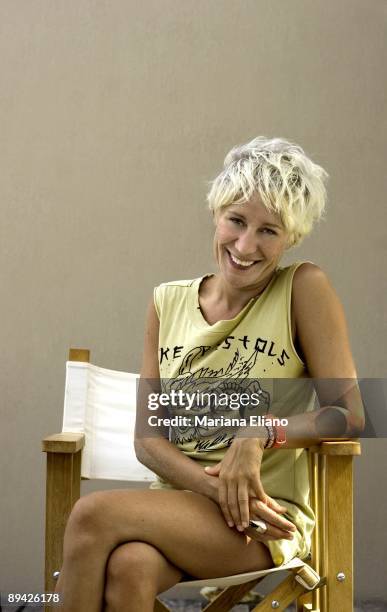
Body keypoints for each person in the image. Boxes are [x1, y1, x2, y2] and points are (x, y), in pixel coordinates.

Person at [55, 136, 364, 612]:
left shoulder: (303, 289)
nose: (245, 246)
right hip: (181, 505)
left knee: (91, 513)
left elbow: (352, 414)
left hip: (261, 517)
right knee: (128, 567)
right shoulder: (168, 302)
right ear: (216, 213)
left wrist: (261, 430)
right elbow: (148, 439)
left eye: (269, 231)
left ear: (292, 237)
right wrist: (212, 487)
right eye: (236, 221)